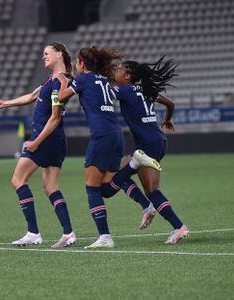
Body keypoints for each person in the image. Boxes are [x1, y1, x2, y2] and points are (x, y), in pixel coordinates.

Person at [56, 46, 161, 249]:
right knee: (106, 188)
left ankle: (105, 236)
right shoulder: (104, 80)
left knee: (91, 187)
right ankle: (132, 167)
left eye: (78, 63)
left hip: (101, 135)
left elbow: (61, 97)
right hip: (116, 135)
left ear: (82, 64)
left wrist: (63, 81)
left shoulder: (84, 79)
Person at [0, 42, 76, 248]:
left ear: (59, 54)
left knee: (18, 179)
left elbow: (55, 118)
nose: (43, 57)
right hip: (55, 140)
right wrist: (6, 103)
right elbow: (31, 97)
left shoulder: (59, 81)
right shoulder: (55, 80)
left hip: (45, 139)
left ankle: (33, 233)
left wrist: (35, 142)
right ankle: (68, 233)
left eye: (47, 53)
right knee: (50, 187)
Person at [111, 57, 189, 244]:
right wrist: (168, 119)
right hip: (157, 141)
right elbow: (170, 104)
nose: (115, 72)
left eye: (119, 70)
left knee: (151, 190)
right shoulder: (146, 90)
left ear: (128, 76)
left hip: (147, 145)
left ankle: (178, 227)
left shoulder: (124, 90)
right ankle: (147, 207)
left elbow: (102, 93)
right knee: (118, 173)